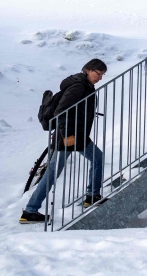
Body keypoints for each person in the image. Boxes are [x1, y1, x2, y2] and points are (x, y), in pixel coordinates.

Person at [19, 58, 107, 224]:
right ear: (88, 70)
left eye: (102, 75)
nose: (100, 77)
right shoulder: (78, 87)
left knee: (97, 158)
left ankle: (93, 195)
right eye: (98, 73)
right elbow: (61, 112)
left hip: (78, 136)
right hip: (67, 137)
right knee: (53, 172)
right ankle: (30, 210)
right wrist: (67, 135)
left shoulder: (85, 86)